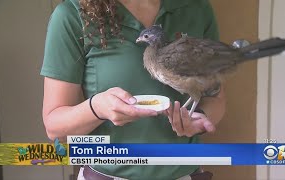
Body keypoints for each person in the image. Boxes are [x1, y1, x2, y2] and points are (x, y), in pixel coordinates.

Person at [41, 0, 226, 179]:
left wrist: (198, 117)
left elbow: (215, 97)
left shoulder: (197, 8)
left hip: (185, 174)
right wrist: (96, 109)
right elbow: (55, 129)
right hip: (107, 175)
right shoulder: (72, 15)